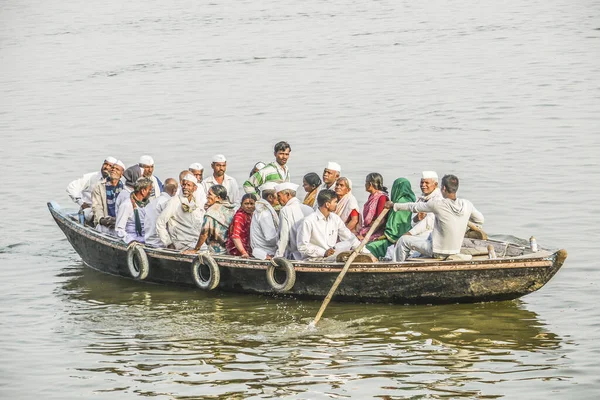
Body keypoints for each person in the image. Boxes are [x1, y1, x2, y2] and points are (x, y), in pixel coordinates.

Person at [386, 174, 484, 262]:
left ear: (444, 188)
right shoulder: (467, 204)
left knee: (403, 240)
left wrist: (394, 205)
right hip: (455, 250)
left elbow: (413, 207)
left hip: (438, 252)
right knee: (429, 235)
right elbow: (480, 220)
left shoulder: (437, 204)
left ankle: (397, 266)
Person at [297, 189, 365, 261]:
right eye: (335, 202)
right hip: (314, 259)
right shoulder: (308, 221)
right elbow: (302, 246)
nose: (337, 204)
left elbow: (349, 237)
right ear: (327, 204)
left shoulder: (335, 218)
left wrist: (364, 251)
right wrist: (323, 252)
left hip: (332, 257)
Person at [365, 178, 416, 259]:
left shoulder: (400, 203)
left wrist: (380, 237)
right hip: (401, 236)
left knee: (370, 246)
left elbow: (394, 231)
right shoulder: (407, 201)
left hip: (395, 239)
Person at [156, 174, 205, 250]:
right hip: (181, 243)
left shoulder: (196, 204)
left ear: (195, 188)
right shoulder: (174, 201)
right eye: (184, 184)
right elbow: (160, 222)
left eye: (189, 185)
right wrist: (168, 243)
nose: (185, 187)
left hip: (195, 241)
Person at [187, 185, 236, 254]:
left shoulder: (211, 212)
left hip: (217, 250)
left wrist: (195, 249)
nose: (207, 196)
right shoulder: (231, 209)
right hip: (230, 249)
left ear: (218, 198)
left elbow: (204, 234)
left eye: (210, 194)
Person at [66, 156, 117, 223]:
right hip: (89, 211)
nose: (106, 167)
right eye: (105, 164)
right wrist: (81, 203)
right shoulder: (91, 177)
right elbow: (71, 187)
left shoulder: (115, 181)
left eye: (110, 166)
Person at [274, 182, 313, 260]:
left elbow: (284, 237)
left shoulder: (285, 210)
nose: (278, 200)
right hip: (310, 254)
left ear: (288, 195)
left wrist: (278, 257)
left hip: (295, 256)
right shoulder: (309, 209)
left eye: (279, 196)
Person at [115, 177, 153, 244]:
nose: (151, 192)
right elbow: (119, 230)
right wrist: (131, 241)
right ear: (143, 191)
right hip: (133, 241)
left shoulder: (148, 204)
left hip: (147, 240)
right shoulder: (126, 205)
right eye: (149, 190)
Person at [92, 160, 125, 235]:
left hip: (119, 224)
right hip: (105, 222)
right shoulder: (99, 186)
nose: (113, 170)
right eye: (113, 168)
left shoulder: (124, 188)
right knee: (100, 229)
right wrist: (102, 220)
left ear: (122, 174)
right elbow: (97, 206)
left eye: (117, 169)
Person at [144, 178, 179, 247]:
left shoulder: (150, 203)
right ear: (174, 191)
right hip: (161, 243)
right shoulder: (169, 202)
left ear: (163, 187)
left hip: (148, 240)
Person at [407, 171, 443, 237]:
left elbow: (429, 222)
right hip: (417, 234)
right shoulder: (421, 198)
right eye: (422, 182)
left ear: (435, 184)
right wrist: (416, 219)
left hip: (432, 236)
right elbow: (412, 222)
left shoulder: (438, 200)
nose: (423, 185)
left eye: (427, 183)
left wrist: (408, 234)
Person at [250, 182, 280, 260]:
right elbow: (270, 238)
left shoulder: (265, 208)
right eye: (278, 195)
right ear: (270, 197)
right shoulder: (264, 212)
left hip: (266, 251)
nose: (280, 198)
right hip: (266, 254)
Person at [357, 173, 389, 241]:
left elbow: (380, 220)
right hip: (368, 227)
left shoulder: (382, 197)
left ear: (370, 184)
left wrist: (367, 235)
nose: (365, 184)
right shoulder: (371, 196)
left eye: (366, 182)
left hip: (377, 230)